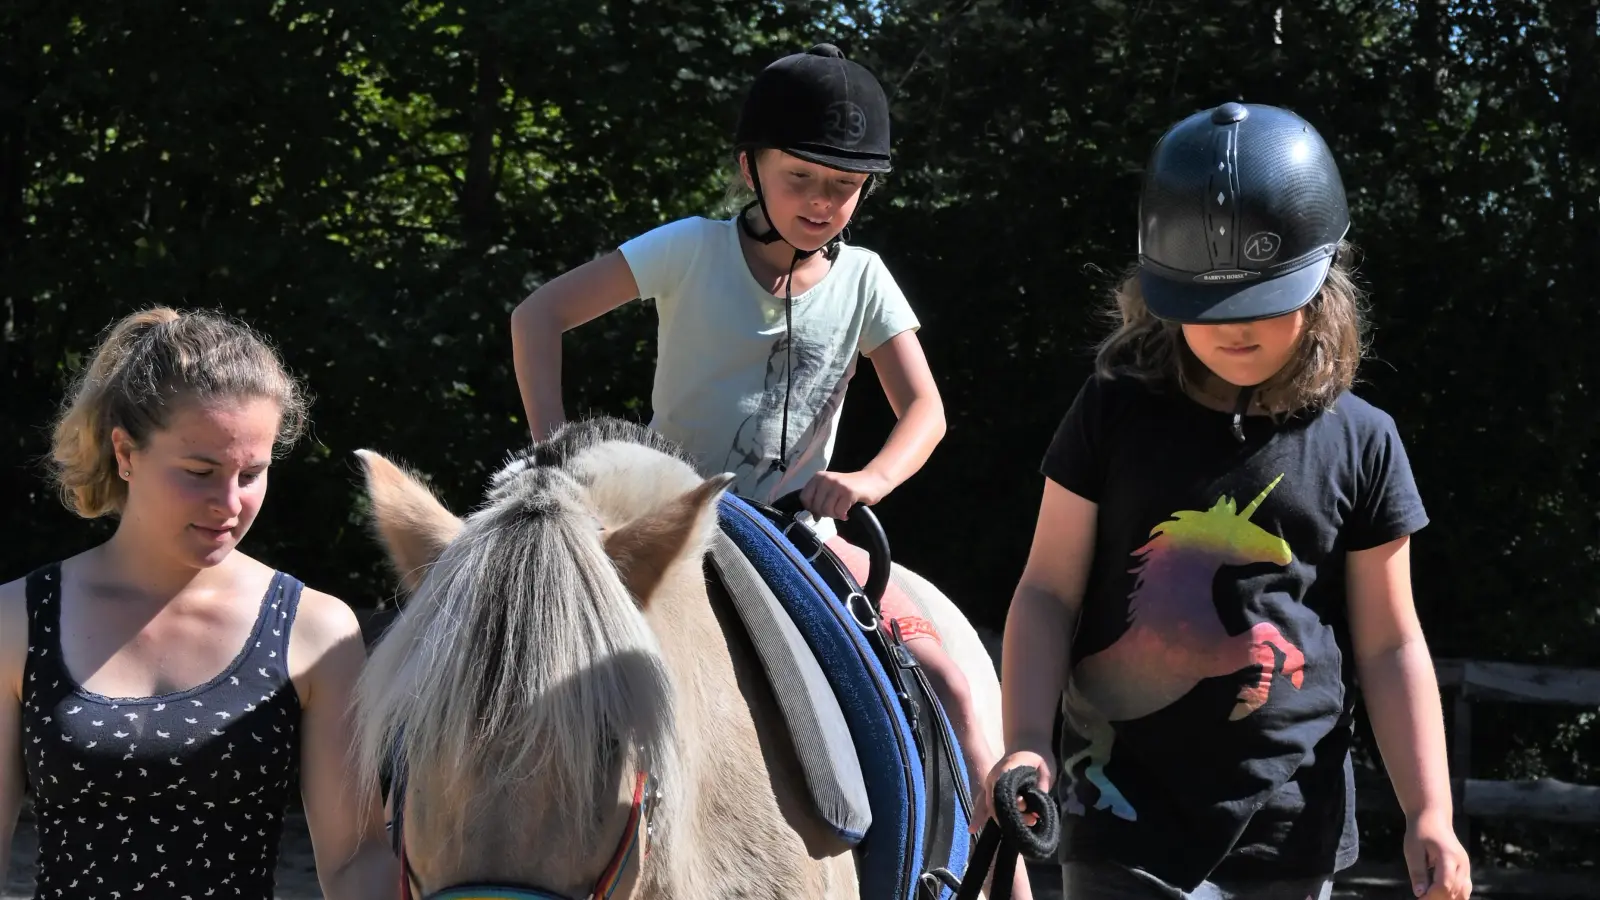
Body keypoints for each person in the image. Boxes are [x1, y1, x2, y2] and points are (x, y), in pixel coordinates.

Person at [511, 42, 1030, 898]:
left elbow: (926, 412)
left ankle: (991, 859)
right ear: (749, 168)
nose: (823, 203)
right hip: (672, 523)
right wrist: (551, 455)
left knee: (953, 681)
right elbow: (539, 317)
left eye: (845, 186)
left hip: (801, 533)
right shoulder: (687, 248)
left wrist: (866, 482)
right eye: (802, 179)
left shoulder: (865, 280)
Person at [982, 102, 1472, 900]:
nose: (1232, 329)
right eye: (1206, 307)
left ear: (1323, 281)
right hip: (1120, 816)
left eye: (1261, 301)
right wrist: (1027, 740)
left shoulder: (1365, 440)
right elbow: (1045, 590)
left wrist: (1431, 810)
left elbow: (1389, 644)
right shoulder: (1112, 410)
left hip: (1291, 827)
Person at [0, 307, 396, 898]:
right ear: (126, 453)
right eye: (200, 471)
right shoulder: (17, 619)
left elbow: (357, 860)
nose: (229, 503)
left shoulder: (317, 631)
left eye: (252, 473)